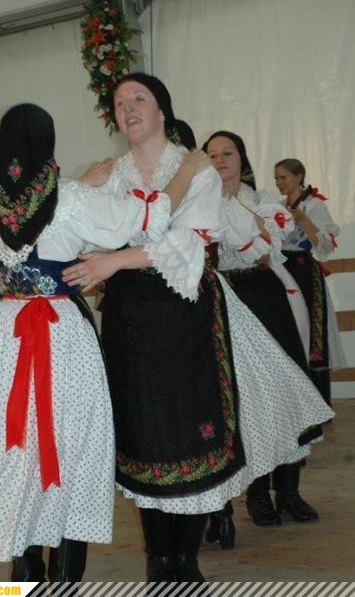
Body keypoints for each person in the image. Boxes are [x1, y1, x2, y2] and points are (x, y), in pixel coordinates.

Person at [63, 74, 333, 583]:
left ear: (162, 110)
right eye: (119, 103)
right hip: (128, 317)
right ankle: (158, 560)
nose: (128, 108)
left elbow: (187, 242)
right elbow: (83, 233)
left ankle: (185, 559)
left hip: (184, 314)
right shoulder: (112, 174)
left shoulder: (196, 168)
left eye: (139, 99)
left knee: (192, 431)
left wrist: (112, 258)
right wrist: (85, 194)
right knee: (144, 431)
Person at [0, 103, 200, 580]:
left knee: (15, 453)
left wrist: (83, 185)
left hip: (2, 335)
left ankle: (24, 577)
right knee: (72, 449)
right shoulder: (70, 197)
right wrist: (187, 169)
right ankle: (64, 579)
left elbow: (5, 247)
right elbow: (148, 216)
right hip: (59, 335)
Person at [203, 130, 328, 539]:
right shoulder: (200, 204)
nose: (220, 160)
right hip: (228, 299)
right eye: (212, 155)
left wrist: (257, 225)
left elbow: (279, 244)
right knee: (250, 397)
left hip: (268, 294)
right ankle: (258, 495)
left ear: (242, 158)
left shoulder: (262, 200)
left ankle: (289, 489)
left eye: (228, 152)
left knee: (286, 388)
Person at [274, 158, 346, 405]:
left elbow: (325, 247)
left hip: (305, 273)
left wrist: (303, 219)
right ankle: (297, 402)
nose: (279, 183)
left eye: (283, 177)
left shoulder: (314, 205)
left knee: (314, 333)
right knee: (289, 329)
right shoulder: (279, 206)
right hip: (282, 272)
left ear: (298, 177)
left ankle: (320, 400)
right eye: (276, 178)